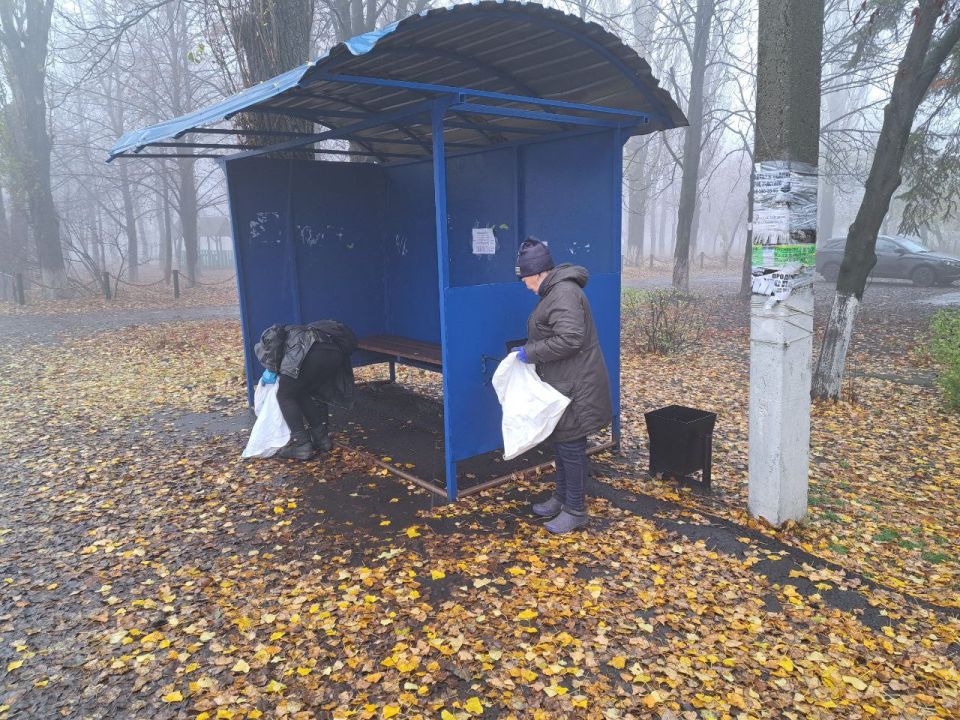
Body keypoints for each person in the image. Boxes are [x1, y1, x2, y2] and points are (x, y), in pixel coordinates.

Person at [514, 237, 612, 533]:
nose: (525, 284)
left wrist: (528, 352)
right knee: (562, 444)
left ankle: (576, 510)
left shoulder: (563, 293)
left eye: (525, 278)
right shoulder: (555, 292)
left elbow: (571, 338)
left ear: (540, 273)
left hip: (576, 385)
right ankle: (561, 498)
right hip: (564, 382)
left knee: (571, 446)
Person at [254, 320, 358, 460]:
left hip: (309, 351)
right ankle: (321, 439)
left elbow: (276, 357)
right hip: (334, 354)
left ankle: (301, 445)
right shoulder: (294, 331)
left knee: (284, 395)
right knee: (301, 392)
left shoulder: (270, 340)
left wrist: (272, 370)